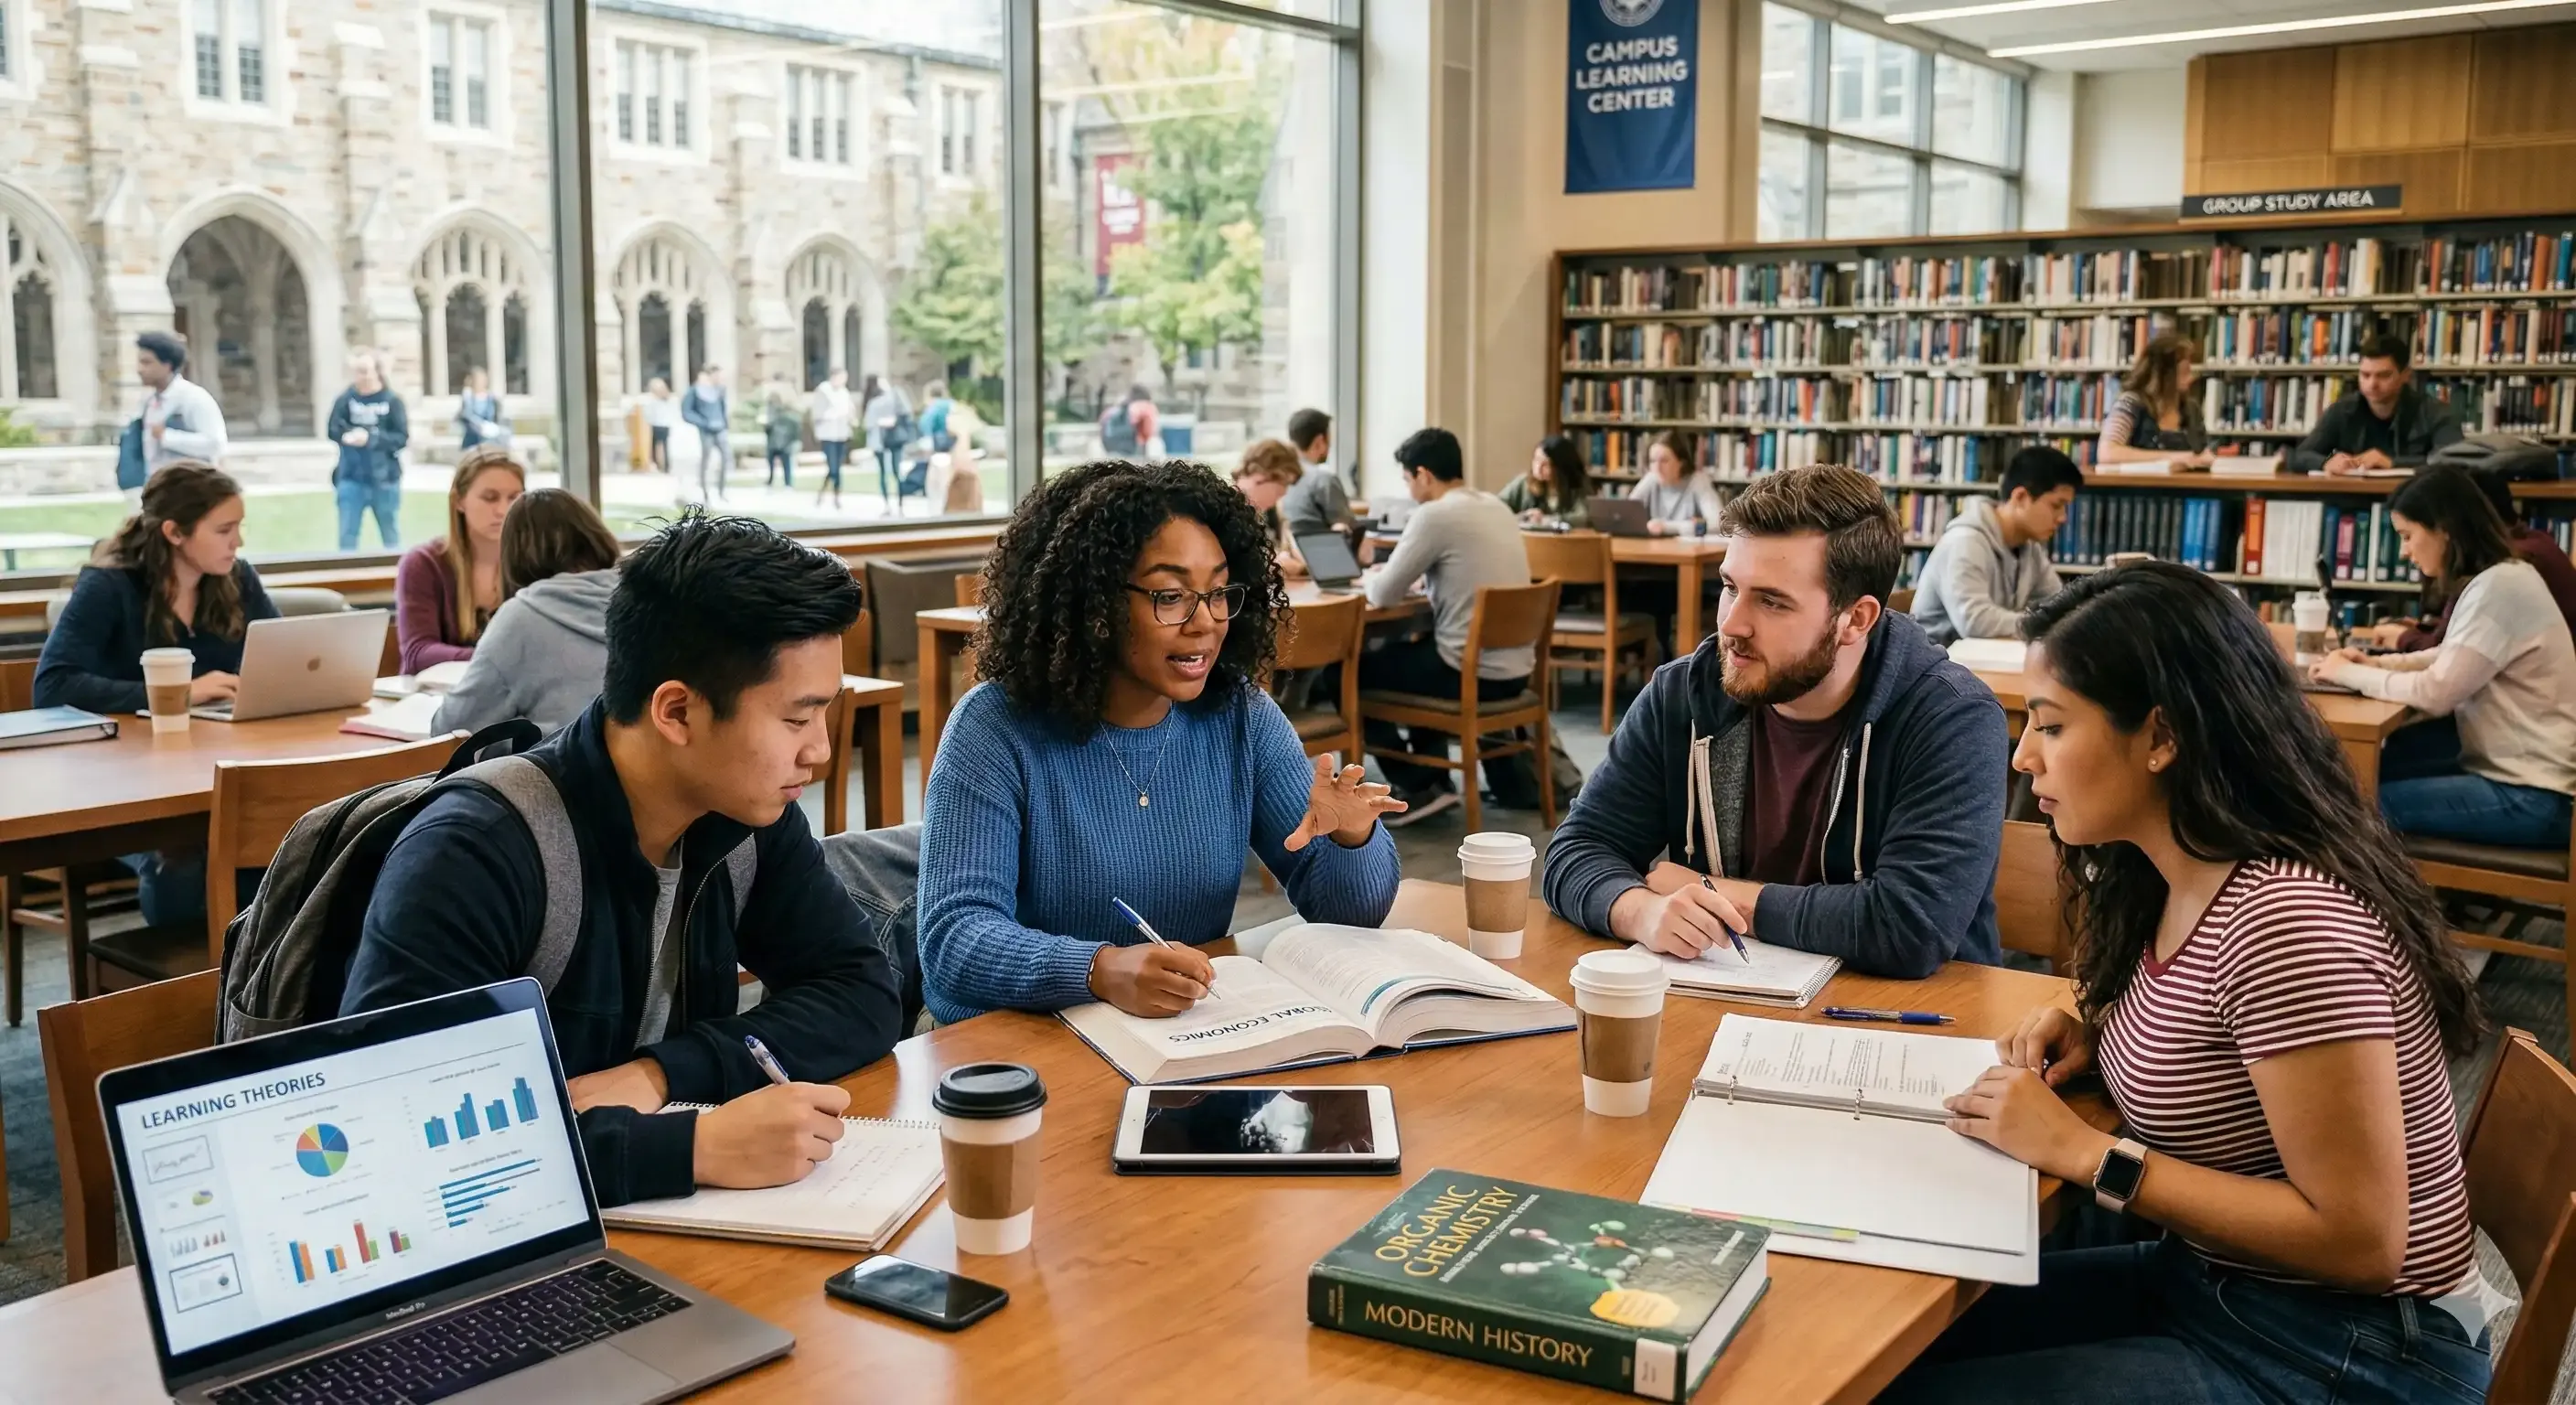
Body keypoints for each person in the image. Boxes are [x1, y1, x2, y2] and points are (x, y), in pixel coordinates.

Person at [1885, 562, 2491, 1403]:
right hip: (2224, 1289)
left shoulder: (2286, 922)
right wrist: (2107, 1042)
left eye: (2052, 727)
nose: (2022, 756)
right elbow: (2226, 1040)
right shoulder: (2179, 875)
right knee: (1892, 1351)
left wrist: (2085, 1152)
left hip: (2352, 1349)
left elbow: (2363, 1241)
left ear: (2162, 738)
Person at [342, 512, 906, 1207]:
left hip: (666, 1231)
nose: (820, 750)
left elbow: (862, 993)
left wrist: (664, 1076)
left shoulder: (746, 815)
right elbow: (399, 1134)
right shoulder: (476, 849)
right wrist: (692, 1147)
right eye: (796, 718)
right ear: (675, 712)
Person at [917, 459, 1403, 1024]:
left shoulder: (1240, 715)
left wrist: (1351, 838)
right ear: (1095, 605)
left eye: (1220, 592)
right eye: (1171, 596)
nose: (1206, 622)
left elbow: (1351, 916)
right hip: (1011, 1048)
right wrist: (1097, 970)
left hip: (1175, 1037)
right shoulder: (995, 727)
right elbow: (953, 941)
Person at [1540, 465, 2008, 979]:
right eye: (1728, 587)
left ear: (1856, 619)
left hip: (1907, 1025)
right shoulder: (1684, 694)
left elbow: (1909, 927)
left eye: (1771, 601)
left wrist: (1717, 896)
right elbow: (1575, 850)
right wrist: (1641, 910)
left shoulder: (1952, 719)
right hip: (1728, 1011)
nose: (1731, 624)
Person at [34, 463, 278, 926]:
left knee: (284, 847)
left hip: (219, 765)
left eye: (239, 528)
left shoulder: (238, 578)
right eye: (225, 529)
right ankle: (191, 982)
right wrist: (181, 692)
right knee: (181, 866)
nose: (238, 542)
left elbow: (282, 654)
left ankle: (253, 975)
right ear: (175, 532)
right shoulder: (109, 586)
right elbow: (52, 685)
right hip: (127, 782)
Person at [2312, 467, 2576, 851]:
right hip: (2528, 781)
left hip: (2532, 797)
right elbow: (2452, 655)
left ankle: (2380, 908)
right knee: (2363, 773)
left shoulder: (2500, 588)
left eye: (2407, 536)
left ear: (2444, 529)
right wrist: (2377, 665)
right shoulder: (2505, 576)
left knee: (2350, 805)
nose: (2403, 551)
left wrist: (2350, 673)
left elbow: (2437, 693)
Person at [1360, 427, 1535, 823]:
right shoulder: (1495, 505)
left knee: (1351, 673)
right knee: (1417, 652)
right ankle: (1434, 782)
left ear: (1423, 474)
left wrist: (1367, 576)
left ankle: (1421, 787)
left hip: (1470, 673)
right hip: (1516, 671)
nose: (1408, 489)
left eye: (1407, 479)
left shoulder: (1435, 514)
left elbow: (1384, 594)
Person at [432, 488, 625, 737]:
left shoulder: (521, 618)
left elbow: (450, 731)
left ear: (514, 553)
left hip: (571, 772)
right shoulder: (647, 595)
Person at [2385, 467, 2576, 649]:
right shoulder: (2534, 543)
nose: (2403, 552)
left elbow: (2449, 659)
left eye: (2408, 536)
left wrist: (2403, 638)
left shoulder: (2508, 568)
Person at [1910, 445, 2082, 646]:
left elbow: (2059, 604)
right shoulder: (1965, 542)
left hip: (1979, 661)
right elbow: (1975, 622)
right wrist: (2041, 621)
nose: (2063, 518)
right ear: (2020, 497)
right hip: (1934, 666)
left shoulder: (2029, 547)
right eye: (2056, 505)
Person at [393, 445, 526, 674]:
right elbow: (418, 653)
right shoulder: (423, 564)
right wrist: (499, 660)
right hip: (439, 699)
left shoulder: (535, 562)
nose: (503, 510)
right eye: (490, 498)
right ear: (459, 501)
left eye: (514, 498)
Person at [2287, 333, 2463, 476]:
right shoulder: (2343, 410)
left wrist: (2392, 463)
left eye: (2383, 375)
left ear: (2406, 376)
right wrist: (2326, 463)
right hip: (2353, 501)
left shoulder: (2434, 412)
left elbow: (2457, 461)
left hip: (2415, 503)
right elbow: (2299, 456)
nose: (2372, 384)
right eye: (2365, 375)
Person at [327, 352, 409, 552]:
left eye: (364, 371)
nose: (360, 377)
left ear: (377, 373)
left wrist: (370, 439)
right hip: (351, 478)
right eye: (356, 372)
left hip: (384, 480)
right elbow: (332, 430)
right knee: (347, 536)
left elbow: (401, 438)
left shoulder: (391, 401)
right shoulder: (346, 400)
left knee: (390, 536)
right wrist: (346, 436)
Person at [2095, 332, 2211, 467]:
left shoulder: (2191, 409)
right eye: (2185, 371)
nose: (2191, 378)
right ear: (2164, 374)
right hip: (2139, 485)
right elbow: (2107, 453)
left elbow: (2203, 453)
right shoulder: (2131, 403)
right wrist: (2175, 458)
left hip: (2187, 485)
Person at [134, 330, 227, 486]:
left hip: (192, 489)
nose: (139, 369)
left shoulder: (193, 398)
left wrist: (167, 436)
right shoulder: (150, 403)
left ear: (167, 365)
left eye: (147, 363)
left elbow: (215, 444)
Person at [1231, 437, 1312, 580]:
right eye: (1283, 484)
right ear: (1261, 475)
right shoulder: (1224, 510)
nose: (1284, 493)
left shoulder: (1266, 514)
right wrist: (1273, 566)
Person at [1281, 407, 1357, 542]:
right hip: (1324, 554)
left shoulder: (1279, 477)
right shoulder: (1323, 480)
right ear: (1320, 441)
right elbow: (1349, 528)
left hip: (1291, 552)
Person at [1628, 430, 1724, 535]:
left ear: (1681, 463)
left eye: (1664, 461)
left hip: (1689, 549)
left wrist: (1667, 527)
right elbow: (1625, 513)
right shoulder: (1651, 478)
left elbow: (1718, 524)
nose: (1657, 468)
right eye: (1652, 461)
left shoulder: (1698, 481)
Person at [1500, 434, 1594, 529]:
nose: (1538, 468)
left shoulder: (1578, 485)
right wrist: (1523, 516)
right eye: (1536, 460)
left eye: (1545, 464)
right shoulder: (1523, 483)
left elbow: (1583, 518)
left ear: (1560, 467)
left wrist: (1547, 520)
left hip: (1565, 542)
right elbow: (1496, 507)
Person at [682, 364, 730, 501]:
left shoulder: (720, 390)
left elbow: (722, 408)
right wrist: (702, 422)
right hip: (706, 431)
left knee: (726, 458)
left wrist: (725, 423)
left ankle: (721, 491)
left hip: (719, 428)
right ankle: (705, 492)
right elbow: (687, 412)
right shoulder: (695, 391)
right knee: (706, 461)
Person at [863, 373, 912, 507]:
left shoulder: (895, 395)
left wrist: (894, 421)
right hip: (879, 441)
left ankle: (899, 502)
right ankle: (888, 504)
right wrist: (880, 423)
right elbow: (868, 423)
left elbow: (906, 412)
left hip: (893, 438)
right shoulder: (873, 402)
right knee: (884, 472)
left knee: (896, 471)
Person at [810, 367, 854, 509]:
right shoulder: (823, 391)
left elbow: (850, 410)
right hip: (828, 434)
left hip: (841, 434)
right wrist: (835, 413)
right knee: (833, 467)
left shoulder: (844, 392)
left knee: (837, 467)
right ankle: (831, 495)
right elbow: (818, 413)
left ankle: (831, 495)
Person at [760, 374, 800, 489]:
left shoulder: (783, 403)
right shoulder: (775, 402)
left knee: (783, 460)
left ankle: (784, 482)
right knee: (780, 460)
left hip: (781, 436)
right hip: (776, 435)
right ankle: (783, 482)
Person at [455, 366, 509, 451]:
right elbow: (466, 416)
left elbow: (498, 417)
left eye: (483, 379)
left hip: (491, 441)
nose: (480, 382)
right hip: (472, 441)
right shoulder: (468, 399)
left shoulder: (492, 399)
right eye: (477, 379)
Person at [641, 377, 676, 473]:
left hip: (659, 424)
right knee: (661, 445)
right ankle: (662, 465)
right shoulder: (661, 399)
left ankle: (660, 464)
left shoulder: (656, 400)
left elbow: (649, 413)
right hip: (661, 424)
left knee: (659, 445)